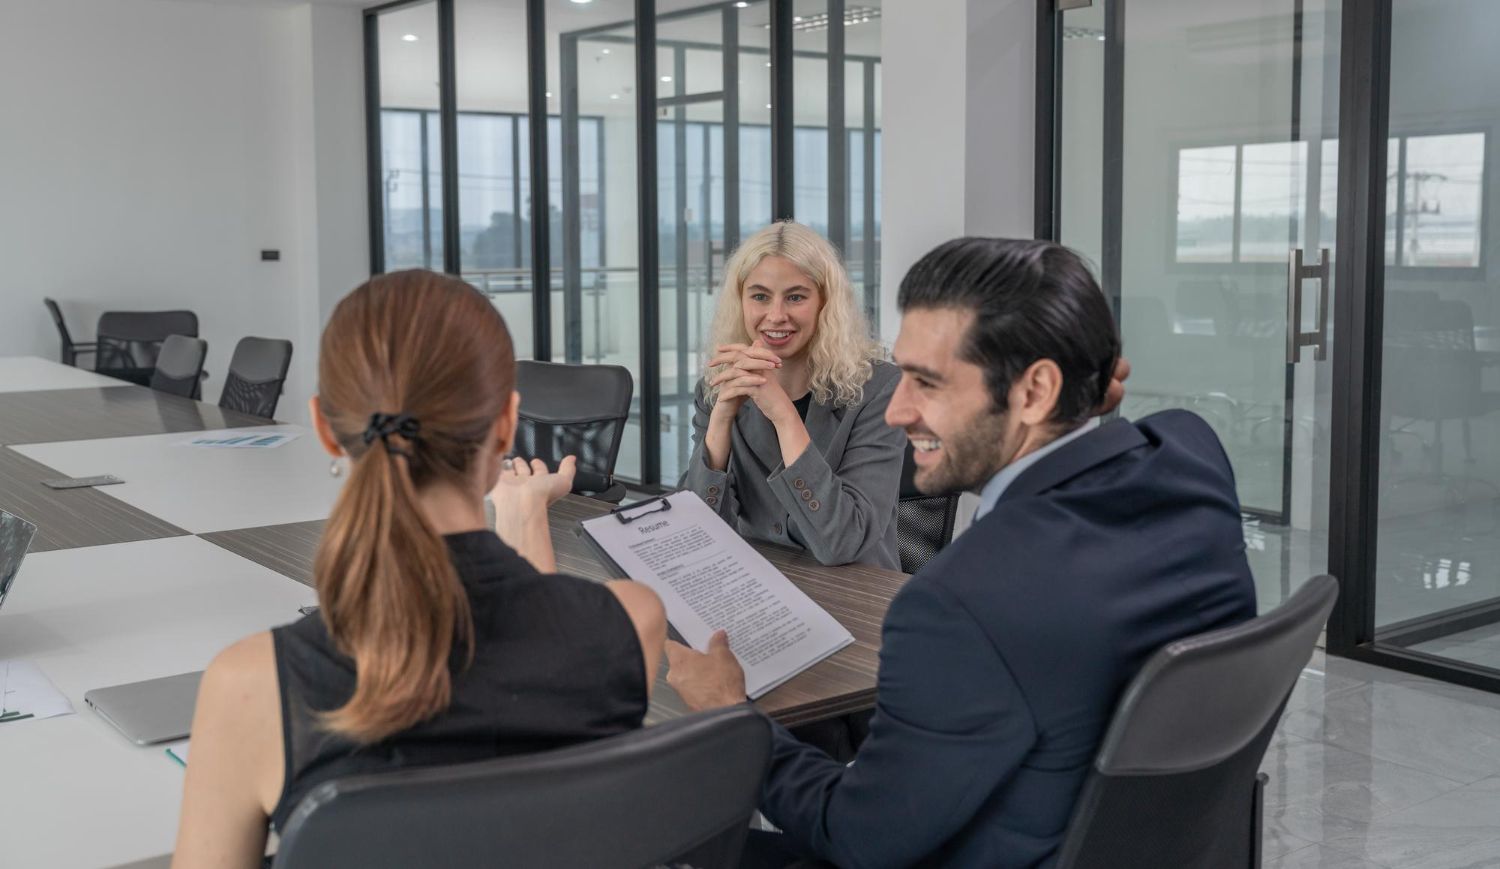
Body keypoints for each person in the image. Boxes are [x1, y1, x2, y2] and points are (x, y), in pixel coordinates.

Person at [665, 238, 1257, 868]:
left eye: (927, 382)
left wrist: (731, 712)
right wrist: (1082, 399)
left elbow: (859, 835)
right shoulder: (1191, 457)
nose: (896, 410)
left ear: (1034, 391)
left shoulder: (957, 606)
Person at [172, 270, 665, 868]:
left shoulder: (250, 685)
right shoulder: (632, 622)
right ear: (507, 425)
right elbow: (540, 648)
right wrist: (525, 514)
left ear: (326, 430)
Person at [681, 221, 905, 570]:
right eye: (759, 296)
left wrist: (784, 416)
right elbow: (695, 535)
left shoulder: (878, 389)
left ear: (825, 303)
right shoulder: (718, 386)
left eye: (796, 297)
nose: (776, 315)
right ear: (740, 301)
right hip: (759, 584)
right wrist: (721, 419)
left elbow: (842, 542)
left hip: (855, 595)